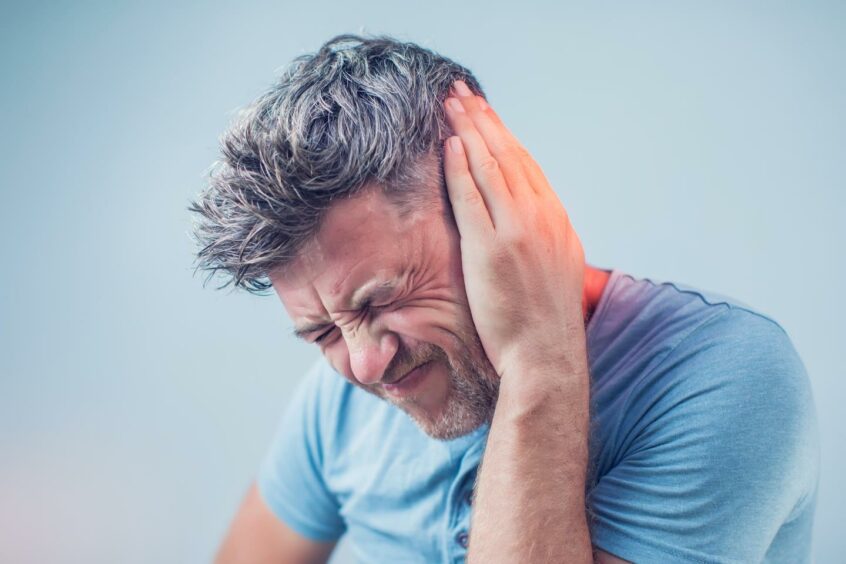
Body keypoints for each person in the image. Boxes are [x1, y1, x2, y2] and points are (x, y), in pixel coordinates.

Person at [190, 34, 819, 563]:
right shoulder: (337, 407)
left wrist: (539, 360)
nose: (364, 366)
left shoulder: (727, 377)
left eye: (379, 302)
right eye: (322, 333)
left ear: (493, 217)